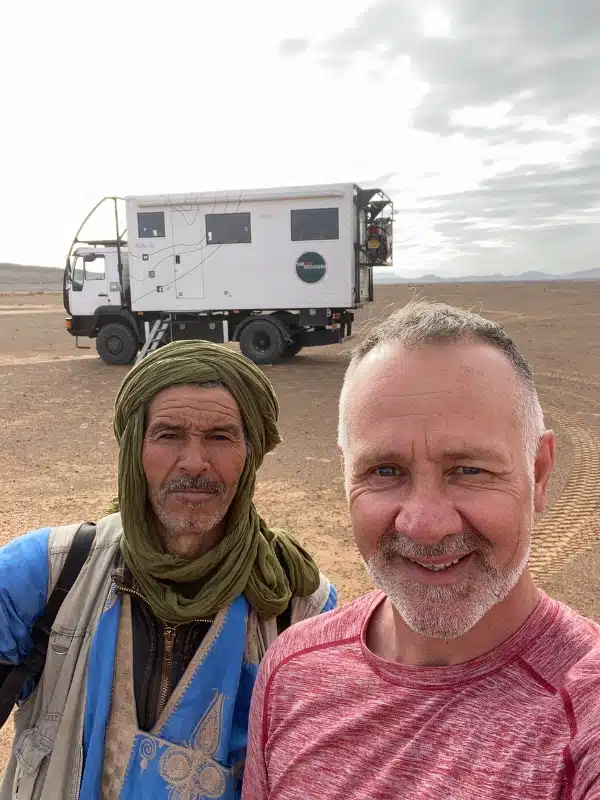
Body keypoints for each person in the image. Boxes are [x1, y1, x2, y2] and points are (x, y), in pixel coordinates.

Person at [242, 300, 600, 800]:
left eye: (470, 470)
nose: (426, 525)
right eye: (385, 471)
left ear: (538, 473)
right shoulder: (292, 672)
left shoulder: (585, 710)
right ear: (346, 475)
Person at [0, 340, 336, 799]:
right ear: (135, 449)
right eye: (169, 434)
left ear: (250, 454)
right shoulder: (47, 574)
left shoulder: (300, 606)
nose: (195, 462)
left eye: (220, 437)